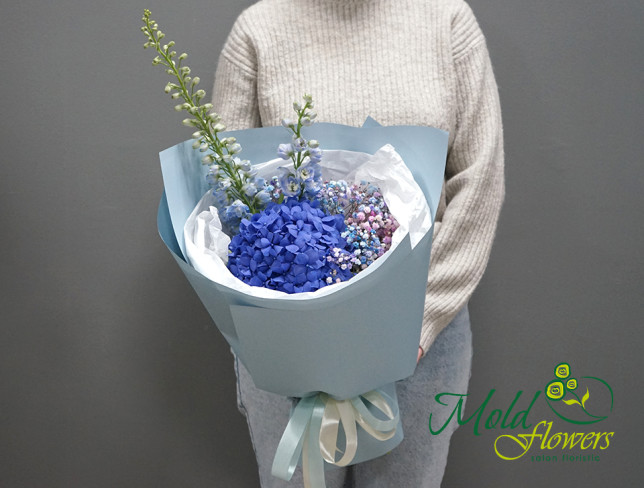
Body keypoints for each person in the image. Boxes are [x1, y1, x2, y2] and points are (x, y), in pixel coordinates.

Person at [211, 0, 504, 486]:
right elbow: (223, 186)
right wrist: (286, 319)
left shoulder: (447, 19)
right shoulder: (257, 31)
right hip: (286, 339)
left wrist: (419, 320)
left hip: (422, 339)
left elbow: (481, 177)